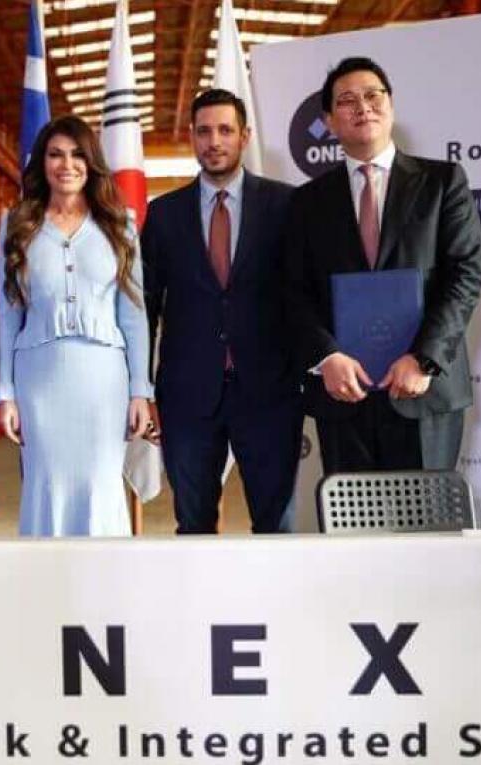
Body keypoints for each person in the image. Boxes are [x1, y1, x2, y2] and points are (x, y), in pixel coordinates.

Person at [284, 57, 481, 474]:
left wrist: (424, 358)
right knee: (353, 516)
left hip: (423, 390)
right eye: (347, 100)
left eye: (373, 95)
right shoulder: (306, 202)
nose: (363, 107)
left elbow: (464, 276)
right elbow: (294, 291)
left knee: (425, 514)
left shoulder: (443, 182)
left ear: (390, 105)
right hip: (343, 395)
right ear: (329, 121)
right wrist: (326, 357)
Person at [141, 89, 302, 535]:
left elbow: (304, 297)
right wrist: (142, 388)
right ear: (192, 137)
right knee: (193, 526)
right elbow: (145, 307)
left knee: (276, 527)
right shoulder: (163, 214)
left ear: (245, 136)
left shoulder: (286, 205)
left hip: (270, 393)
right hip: (187, 396)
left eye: (226, 130)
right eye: (205, 131)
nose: (215, 141)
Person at [0, 116, 152, 537]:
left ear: (92, 162)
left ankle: (105, 574)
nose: (67, 164)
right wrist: (5, 393)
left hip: (104, 384)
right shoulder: (16, 224)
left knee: (101, 483)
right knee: (45, 484)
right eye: (56, 154)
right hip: (38, 383)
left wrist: (140, 389)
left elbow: (133, 314)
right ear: (42, 163)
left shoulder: (120, 224)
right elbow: (7, 316)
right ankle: (46, 575)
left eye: (78, 154)